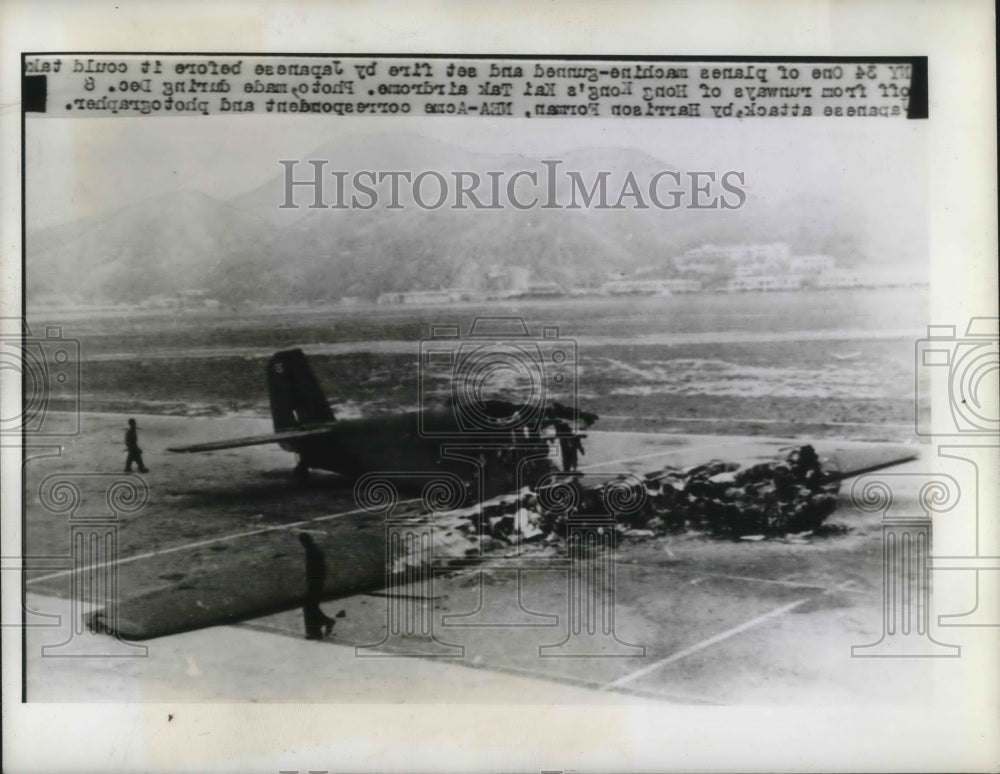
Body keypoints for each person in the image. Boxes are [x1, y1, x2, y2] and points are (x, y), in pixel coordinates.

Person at [298, 532, 335, 640]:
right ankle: (322, 625)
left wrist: (311, 581)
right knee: (311, 605)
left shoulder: (312, 551)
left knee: (308, 605)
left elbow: (315, 568)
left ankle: (316, 630)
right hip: (317, 581)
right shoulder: (314, 549)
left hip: (315, 582)